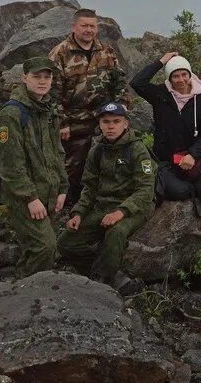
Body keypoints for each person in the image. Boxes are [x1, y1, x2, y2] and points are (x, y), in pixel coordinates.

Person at [57, 103, 156, 285]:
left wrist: (121, 212)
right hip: (103, 206)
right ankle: (104, 267)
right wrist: (78, 213)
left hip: (134, 207)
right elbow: (89, 187)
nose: (111, 126)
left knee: (115, 232)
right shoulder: (97, 151)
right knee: (65, 242)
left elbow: (145, 189)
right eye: (106, 122)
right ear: (100, 125)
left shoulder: (137, 149)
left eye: (116, 121)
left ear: (125, 124)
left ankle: (104, 278)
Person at [0, 55, 68, 277]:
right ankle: (26, 292)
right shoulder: (11, 115)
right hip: (25, 198)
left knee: (47, 248)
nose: (43, 81)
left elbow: (58, 153)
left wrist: (62, 188)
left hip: (50, 193)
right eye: (37, 76)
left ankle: (36, 290)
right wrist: (30, 198)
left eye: (47, 77)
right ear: (25, 78)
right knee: (44, 247)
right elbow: (10, 165)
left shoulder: (48, 110)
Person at [130, 52, 201, 206]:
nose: (181, 80)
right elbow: (137, 83)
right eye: (175, 76)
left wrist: (193, 155)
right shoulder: (160, 94)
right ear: (169, 78)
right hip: (167, 159)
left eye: (184, 74)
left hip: (196, 158)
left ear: (190, 74)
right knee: (179, 191)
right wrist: (162, 61)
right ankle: (192, 187)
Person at [49, 8, 128, 205]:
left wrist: (122, 107)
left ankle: (102, 201)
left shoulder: (106, 51)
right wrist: (61, 122)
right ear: (74, 27)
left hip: (102, 117)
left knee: (108, 162)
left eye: (92, 26)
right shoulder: (60, 53)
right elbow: (51, 92)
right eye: (84, 25)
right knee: (73, 168)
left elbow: (119, 81)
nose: (88, 30)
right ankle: (68, 205)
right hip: (73, 121)